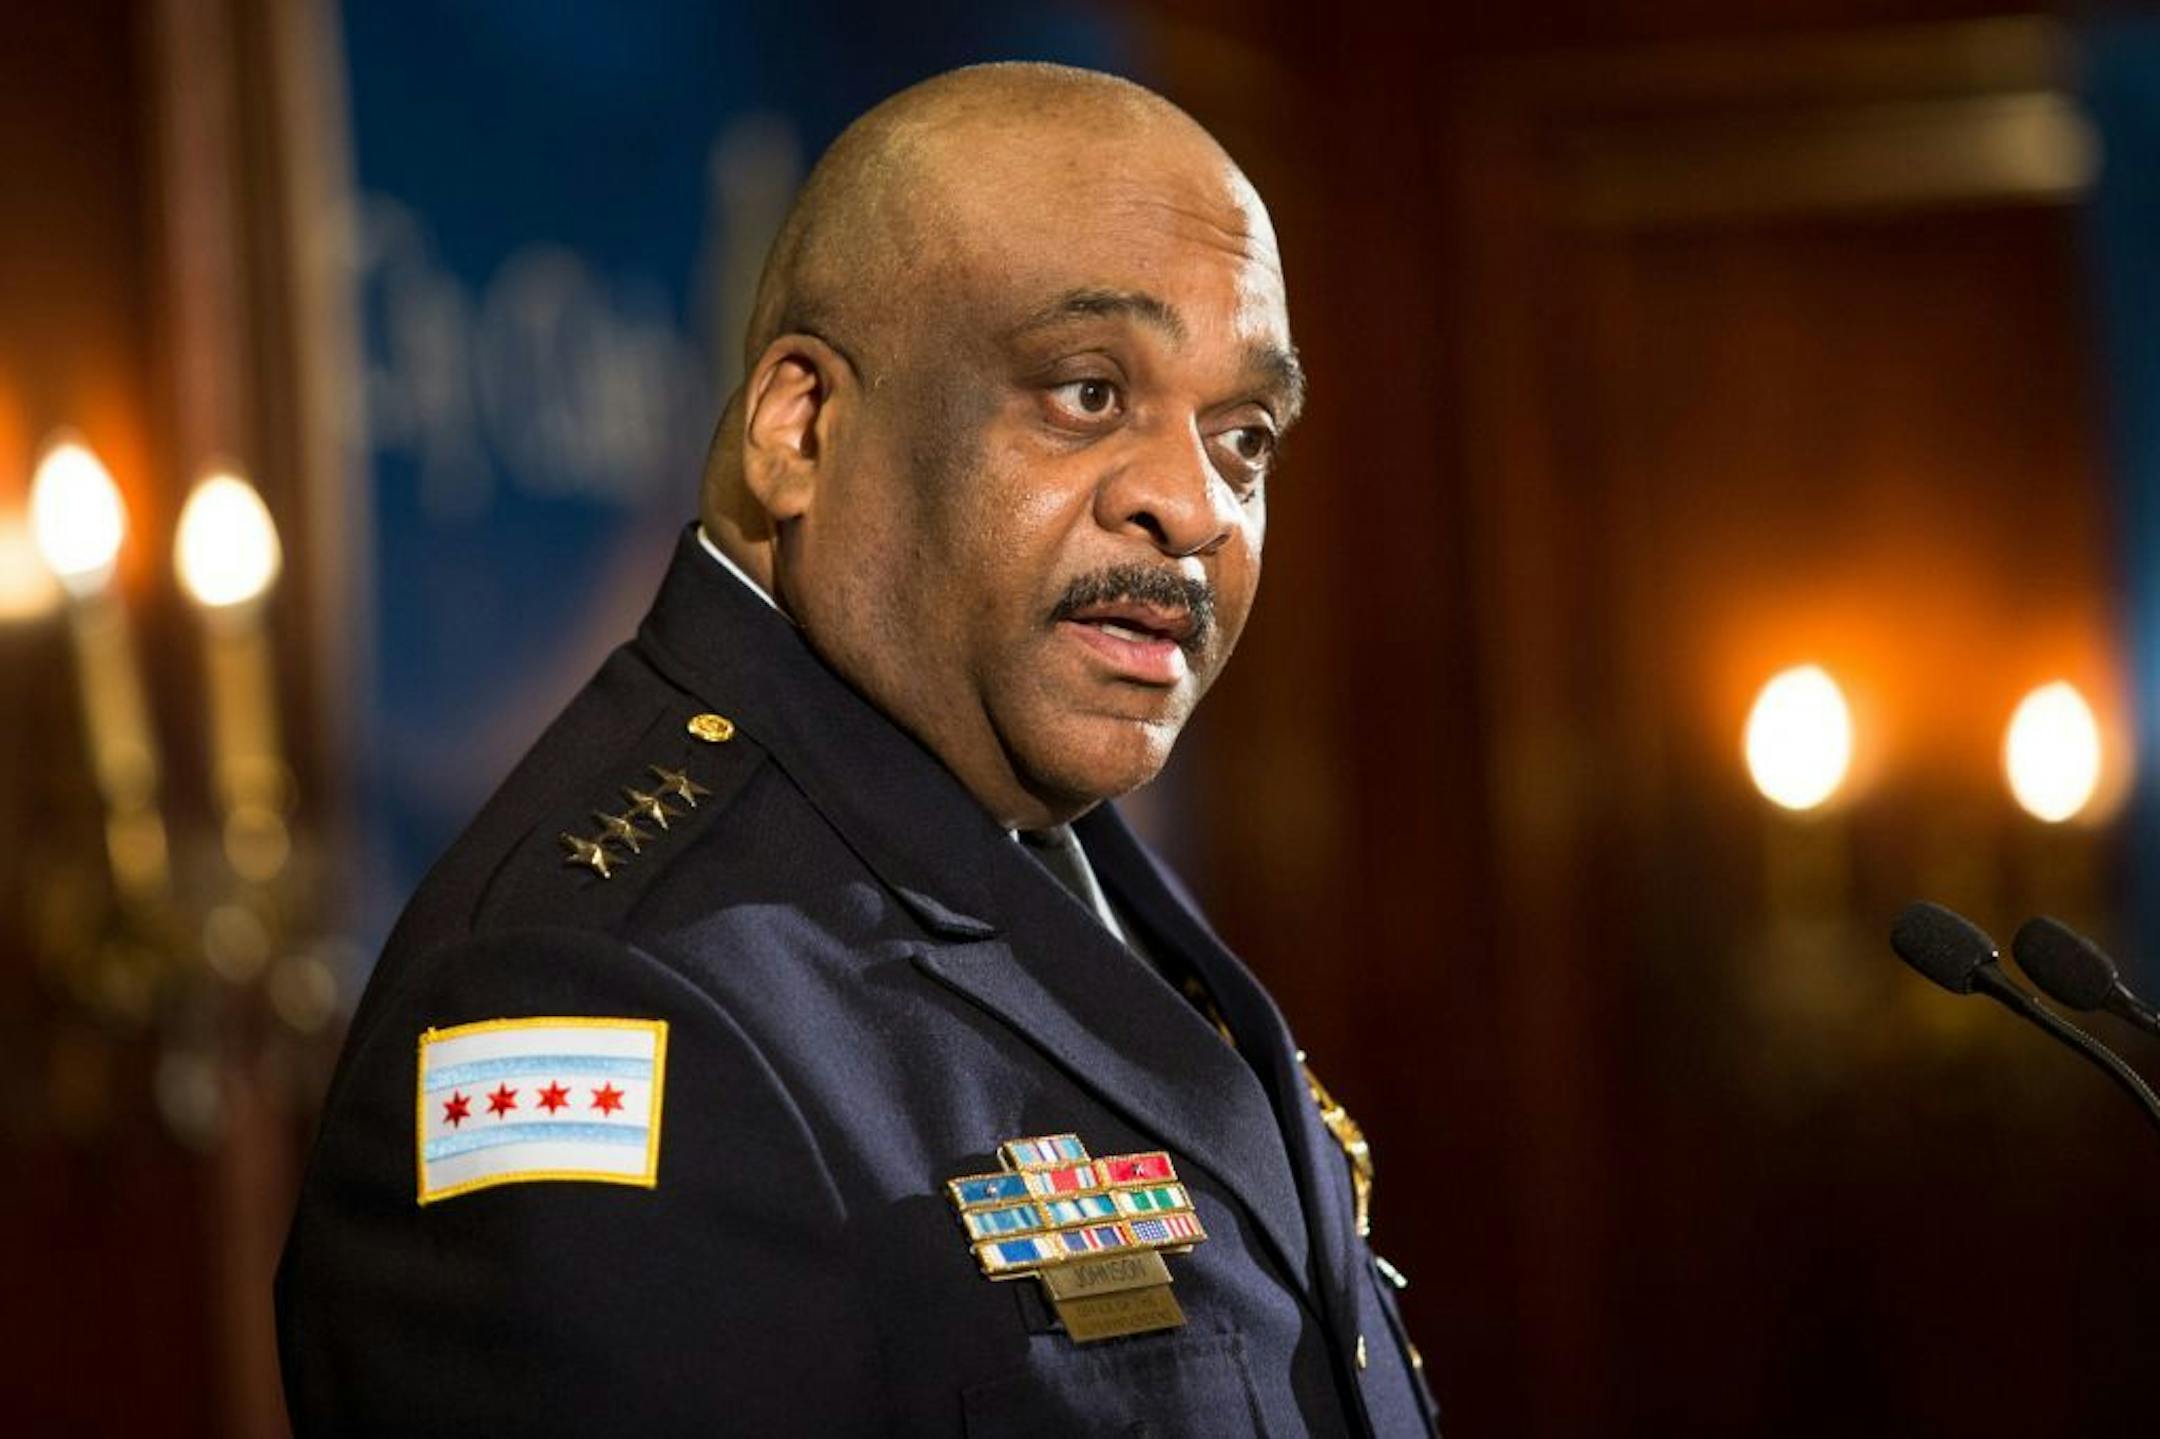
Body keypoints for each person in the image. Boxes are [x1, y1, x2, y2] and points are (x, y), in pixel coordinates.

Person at [276, 62, 1438, 1436]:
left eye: (1244, 436)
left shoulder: (1056, 856)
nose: (1194, 506)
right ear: (801, 428)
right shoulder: (604, 1001)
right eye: (1083, 391)